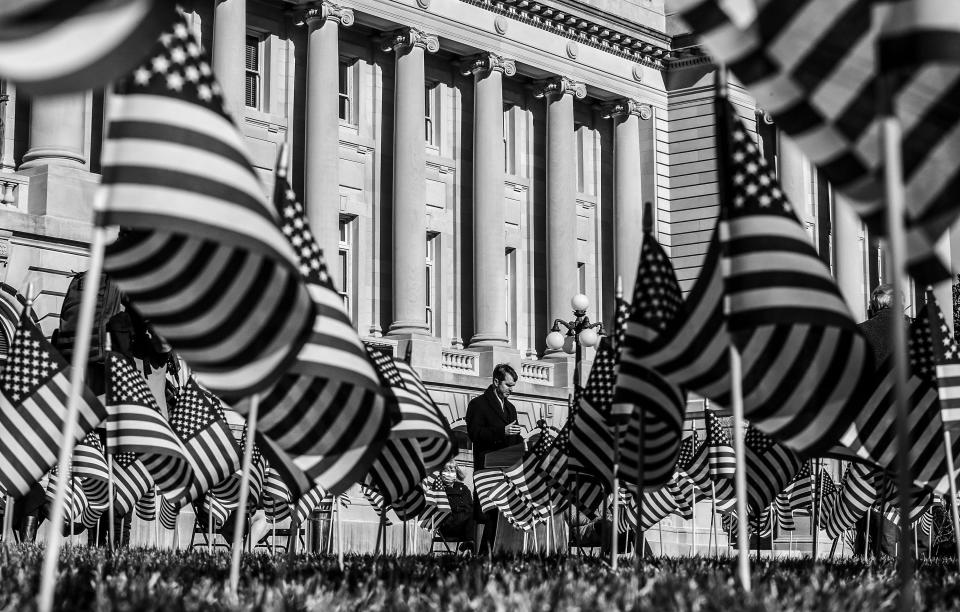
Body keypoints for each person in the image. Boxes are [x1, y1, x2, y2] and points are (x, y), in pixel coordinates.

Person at [854, 283, 905, 558]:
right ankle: (898, 551)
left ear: (874, 306)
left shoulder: (860, 333)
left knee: (866, 486)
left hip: (868, 428)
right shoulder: (923, 335)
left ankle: (868, 551)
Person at [465, 363, 522, 555]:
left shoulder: (511, 409)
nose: (511, 390)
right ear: (496, 382)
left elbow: (513, 437)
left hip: (506, 471)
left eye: (513, 386)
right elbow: (474, 433)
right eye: (508, 385)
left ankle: (503, 553)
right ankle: (483, 555)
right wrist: (501, 431)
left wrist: (523, 443)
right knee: (489, 515)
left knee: (504, 515)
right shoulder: (478, 404)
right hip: (487, 470)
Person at [434, 462, 474, 551]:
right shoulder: (438, 488)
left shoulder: (464, 488)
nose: (449, 473)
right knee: (472, 512)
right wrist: (461, 508)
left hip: (465, 525)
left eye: (452, 470)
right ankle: (470, 541)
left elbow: (470, 506)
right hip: (448, 526)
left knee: (478, 513)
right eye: (446, 470)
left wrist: (461, 509)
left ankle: (473, 544)